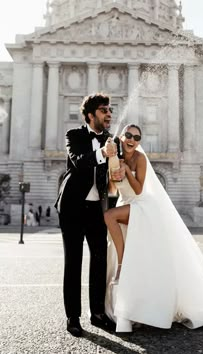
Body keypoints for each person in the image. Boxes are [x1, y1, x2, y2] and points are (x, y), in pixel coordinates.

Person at [104, 124, 203, 336]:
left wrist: (127, 170)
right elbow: (112, 190)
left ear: (139, 141)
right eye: (128, 135)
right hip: (125, 204)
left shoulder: (140, 158)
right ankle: (131, 307)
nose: (132, 139)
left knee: (109, 216)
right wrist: (112, 169)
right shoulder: (114, 156)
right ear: (121, 137)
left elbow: (138, 190)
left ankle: (122, 261)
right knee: (115, 224)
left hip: (143, 205)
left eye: (136, 137)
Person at [55, 93, 116, 337]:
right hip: (71, 206)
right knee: (73, 262)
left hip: (96, 209)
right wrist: (103, 153)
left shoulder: (112, 140)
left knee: (99, 260)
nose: (109, 113)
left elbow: (112, 175)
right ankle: (73, 317)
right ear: (91, 115)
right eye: (103, 110)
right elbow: (79, 162)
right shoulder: (74, 135)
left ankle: (98, 313)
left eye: (110, 109)